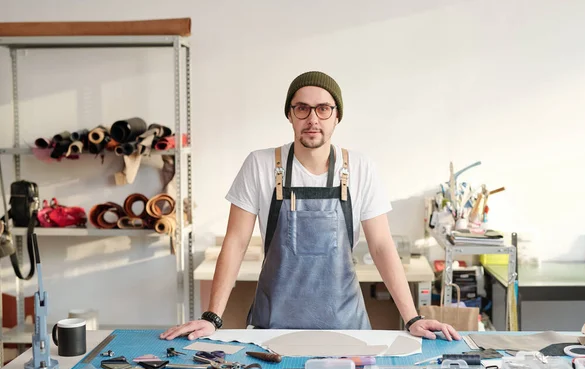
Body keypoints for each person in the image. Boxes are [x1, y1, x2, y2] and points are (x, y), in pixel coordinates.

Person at [161, 71, 460, 342]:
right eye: (302, 108)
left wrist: (413, 318)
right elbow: (236, 242)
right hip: (272, 329)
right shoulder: (261, 164)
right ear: (290, 115)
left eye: (323, 109)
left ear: (336, 116)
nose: (312, 118)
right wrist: (212, 317)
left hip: (347, 328)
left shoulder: (359, 168)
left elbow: (381, 245)